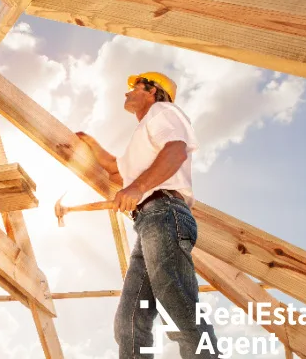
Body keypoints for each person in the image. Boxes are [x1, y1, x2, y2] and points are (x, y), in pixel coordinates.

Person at [75, 72, 218, 358]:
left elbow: (176, 151)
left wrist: (138, 188)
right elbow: (116, 169)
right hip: (149, 222)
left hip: (164, 212)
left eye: (134, 87)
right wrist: (89, 143)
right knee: (129, 321)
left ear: (152, 91)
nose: (127, 93)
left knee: (178, 308)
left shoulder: (162, 111)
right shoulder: (143, 137)